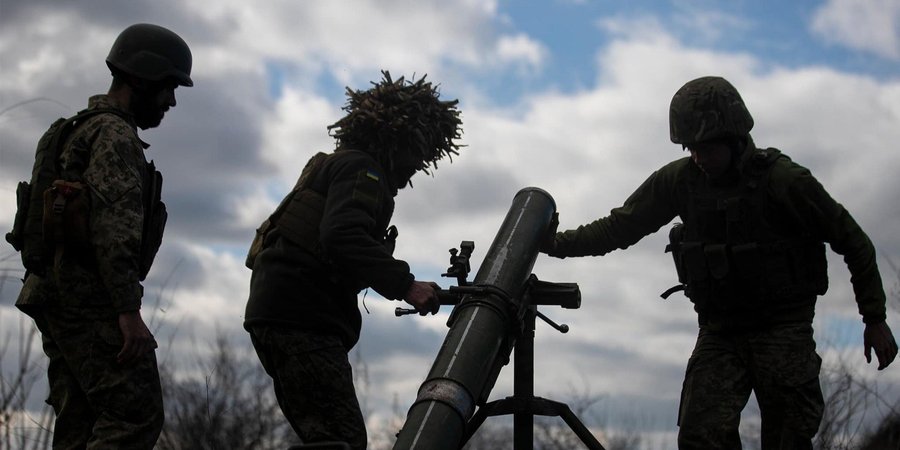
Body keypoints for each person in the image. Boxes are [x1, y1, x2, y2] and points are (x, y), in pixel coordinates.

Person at [542, 76, 898, 449]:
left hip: (782, 329)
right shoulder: (681, 181)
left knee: (788, 437)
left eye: (707, 149)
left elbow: (853, 241)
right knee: (700, 436)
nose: (698, 158)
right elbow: (620, 227)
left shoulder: (784, 181)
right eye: (690, 149)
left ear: (734, 139)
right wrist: (555, 244)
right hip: (720, 332)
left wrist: (874, 318)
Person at [243, 71, 464, 449]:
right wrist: (406, 285)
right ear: (394, 140)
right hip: (302, 319)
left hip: (280, 315)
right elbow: (342, 236)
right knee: (339, 439)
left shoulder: (335, 165)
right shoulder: (363, 169)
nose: (419, 163)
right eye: (418, 149)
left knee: (326, 437)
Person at [13, 23, 193, 448]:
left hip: (51, 295)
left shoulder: (71, 128)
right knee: (136, 416)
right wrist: (128, 312)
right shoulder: (114, 136)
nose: (170, 100)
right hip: (89, 298)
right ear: (141, 77)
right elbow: (115, 231)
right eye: (168, 86)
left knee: (80, 423)